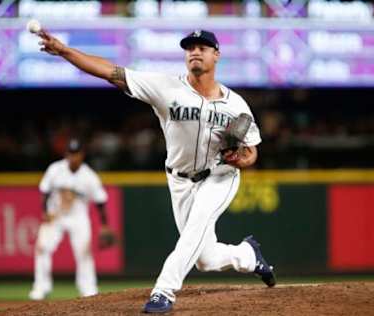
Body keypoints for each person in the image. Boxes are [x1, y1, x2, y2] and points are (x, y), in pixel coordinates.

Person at [37, 28, 275, 313]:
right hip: (180, 180)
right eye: (190, 48)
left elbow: (252, 151)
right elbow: (111, 73)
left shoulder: (235, 104)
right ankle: (248, 256)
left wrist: (241, 160)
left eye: (202, 47)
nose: (195, 51)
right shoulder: (166, 87)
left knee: (194, 229)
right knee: (204, 258)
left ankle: (164, 291)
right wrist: (65, 51)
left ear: (216, 55)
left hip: (220, 176)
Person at [29, 138, 110, 300]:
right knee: (42, 248)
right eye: (71, 153)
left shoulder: (89, 176)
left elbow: (100, 201)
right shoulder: (55, 169)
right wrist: (44, 211)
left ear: (82, 155)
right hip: (55, 215)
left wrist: (104, 225)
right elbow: (45, 191)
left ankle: (88, 288)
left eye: (76, 154)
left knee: (84, 253)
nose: (73, 157)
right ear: (67, 154)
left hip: (78, 217)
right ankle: (40, 287)